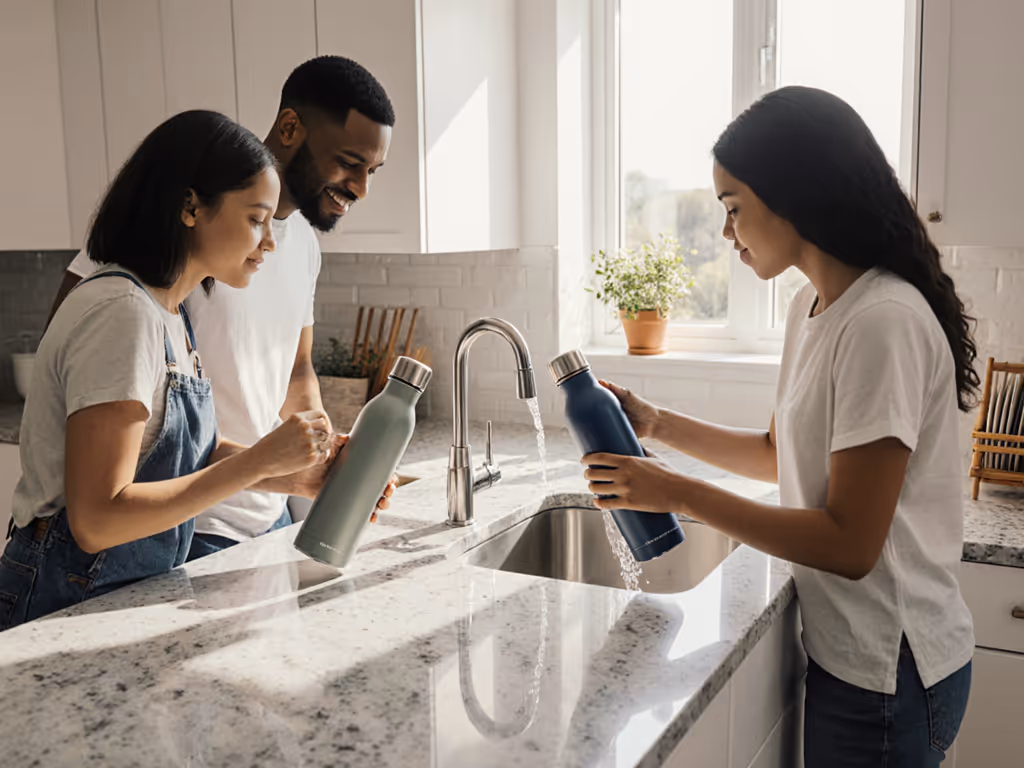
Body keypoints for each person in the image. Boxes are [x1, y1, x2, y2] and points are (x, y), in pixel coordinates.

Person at [584, 87, 975, 767]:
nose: (726, 233)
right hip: (855, 661)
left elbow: (851, 543)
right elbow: (778, 454)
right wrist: (657, 423)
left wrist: (676, 491)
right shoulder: (813, 305)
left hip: (891, 671)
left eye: (734, 207)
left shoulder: (881, 321)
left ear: (794, 195)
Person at [0, 111, 340, 630]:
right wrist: (258, 462)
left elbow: (183, 455)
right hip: (61, 595)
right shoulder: (121, 313)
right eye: (256, 219)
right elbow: (96, 519)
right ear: (190, 207)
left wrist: (298, 475)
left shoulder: (170, 314)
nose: (269, 242)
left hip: (116, 591)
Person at [49, 56, 396, 559]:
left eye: (373, 171)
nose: (361, 187)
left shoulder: (298, 246)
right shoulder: (136, 287)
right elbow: (81, 339)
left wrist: (318, 455)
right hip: (181, 525)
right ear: (290, 127)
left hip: (261, 510)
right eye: (349, 162)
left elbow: (291, 372)